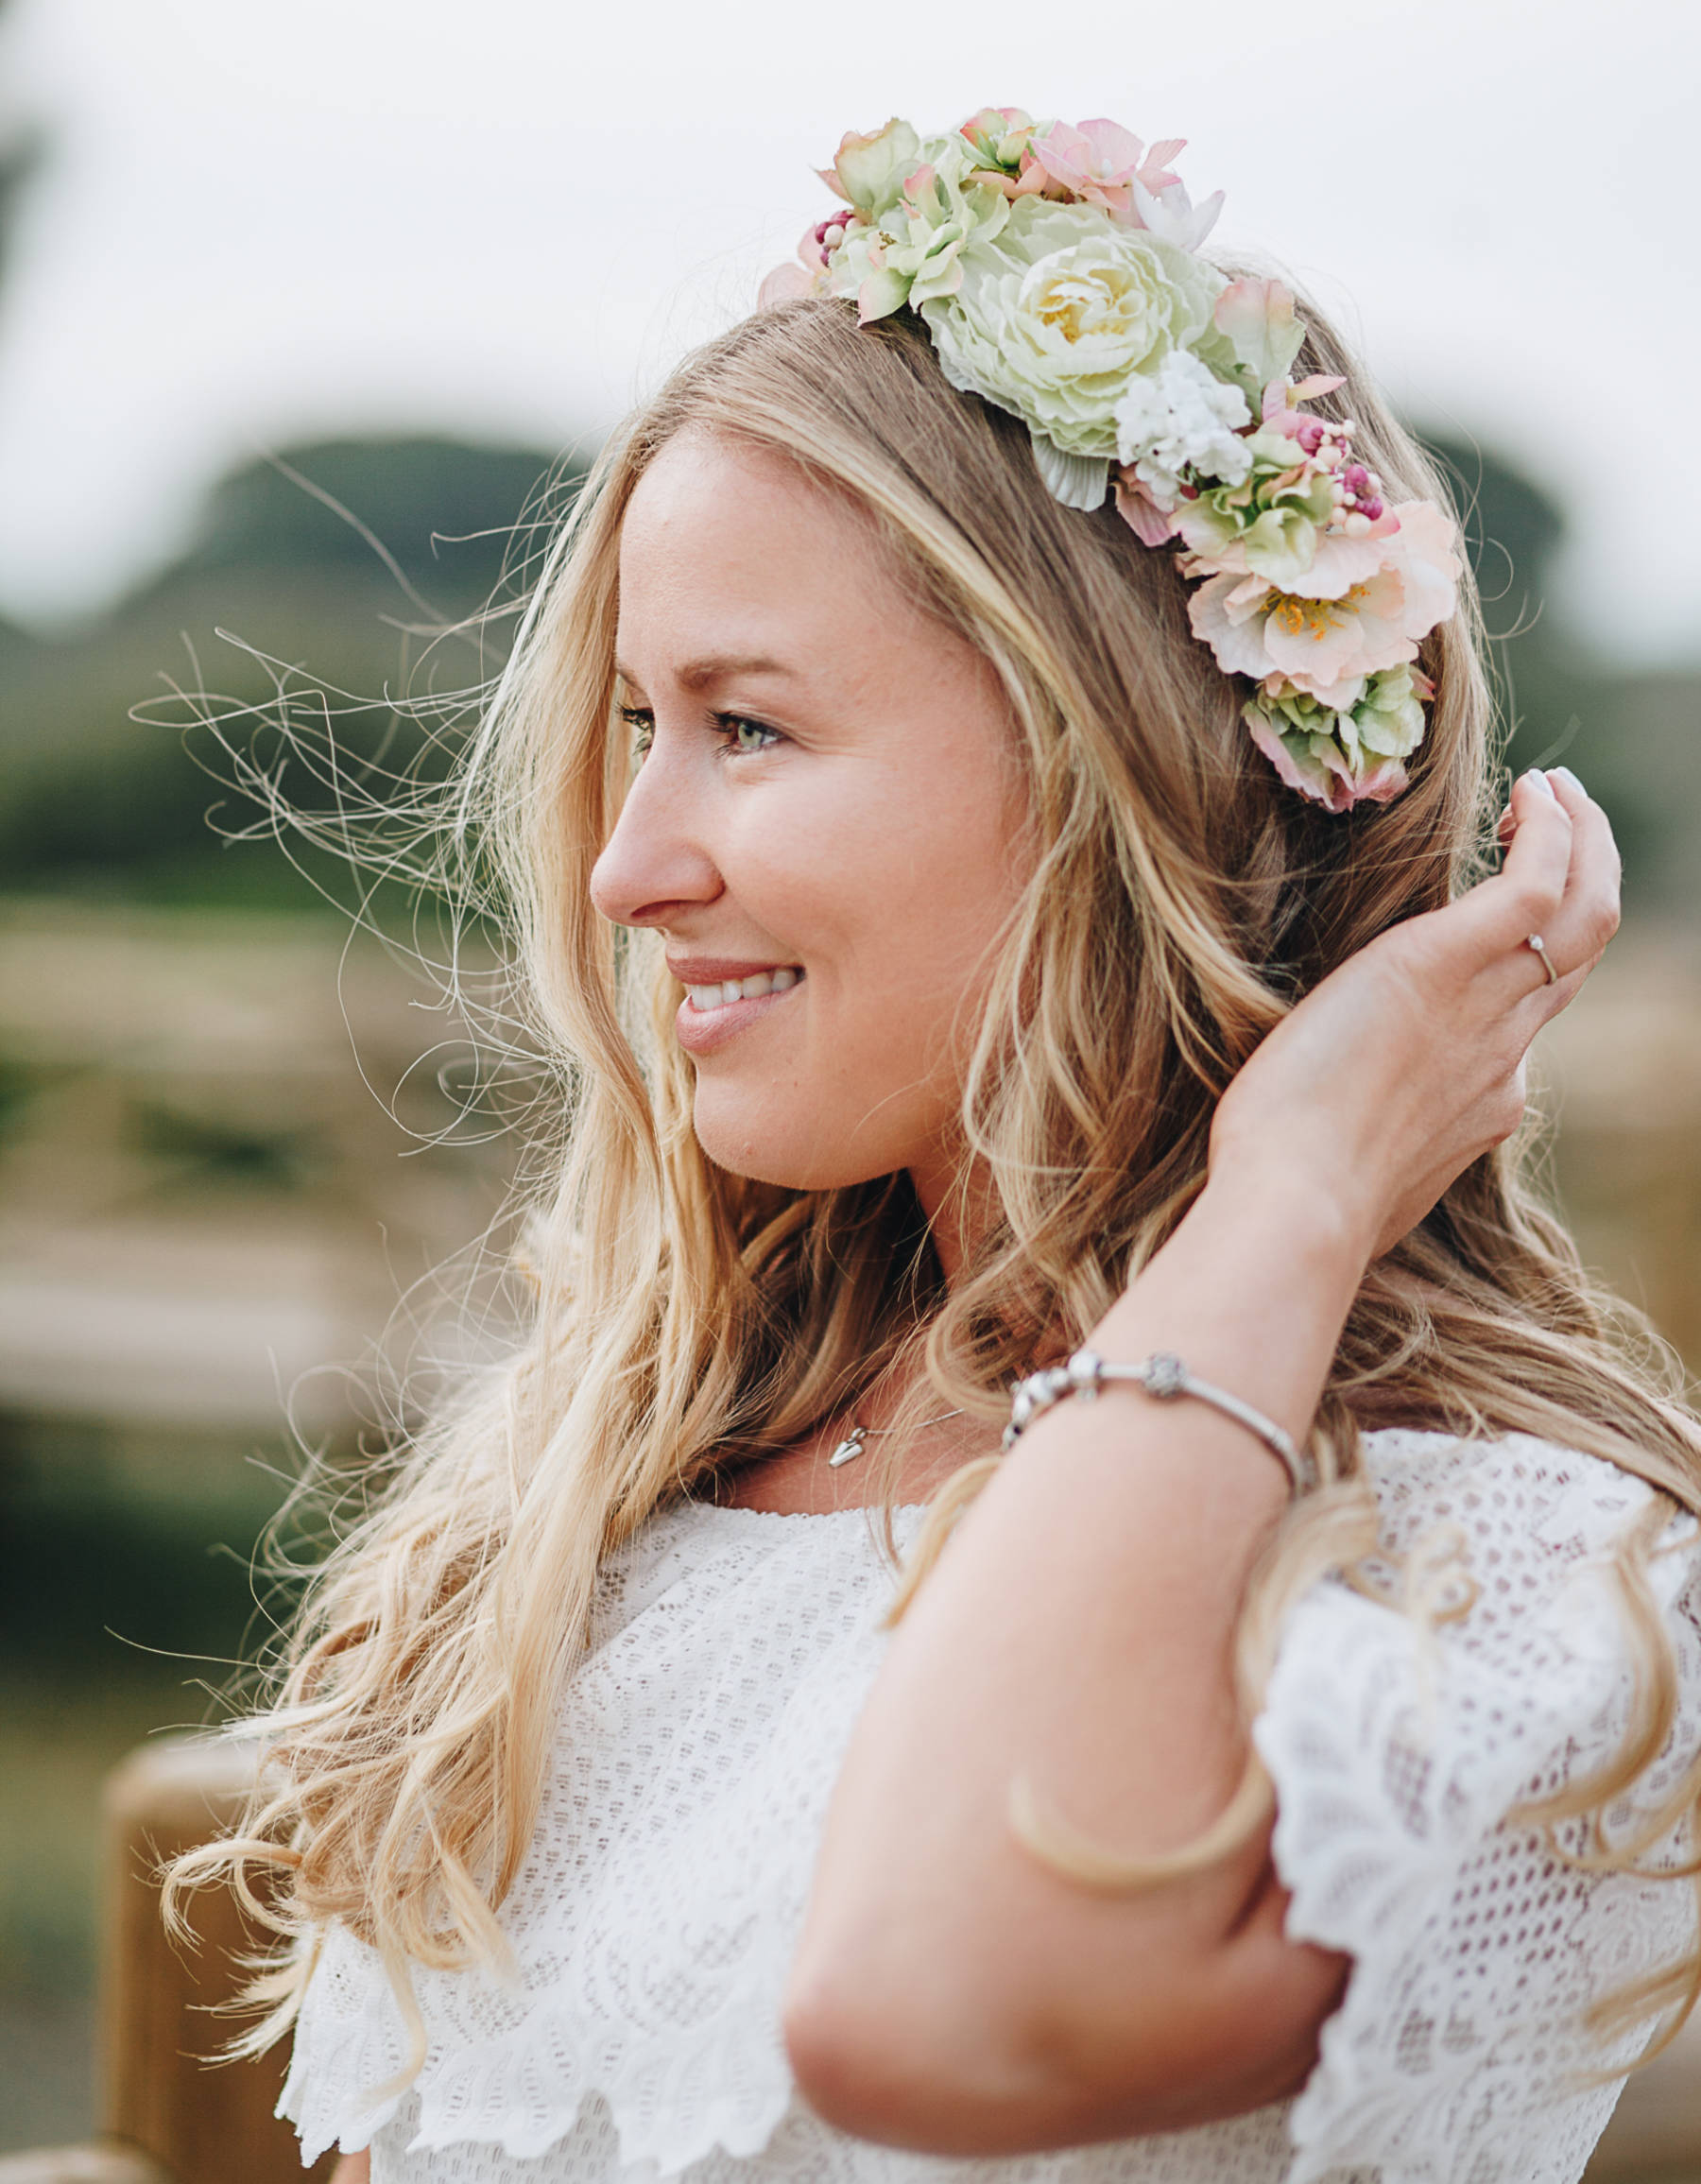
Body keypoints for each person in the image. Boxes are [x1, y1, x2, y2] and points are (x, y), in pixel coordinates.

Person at [170, 108, 1701, 2184]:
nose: (626, 867)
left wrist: (1297, 1191)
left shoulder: (1506, 1581)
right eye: (640, 725)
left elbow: (927, 2013)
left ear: (1116, 767)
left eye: (754, 725)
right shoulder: (612, 1491)